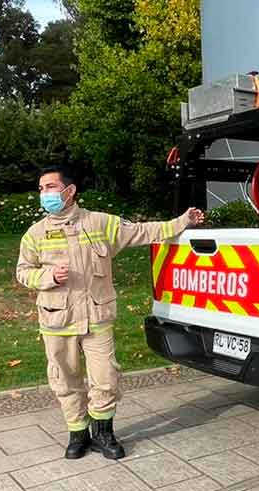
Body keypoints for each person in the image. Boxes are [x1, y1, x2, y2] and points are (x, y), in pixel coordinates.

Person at [16, 166, 204, 460]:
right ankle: (77, 434)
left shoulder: (100, 223)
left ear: (70, 190)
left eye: (50, 187)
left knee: (106, 379)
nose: (45, 194)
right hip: (57, 319)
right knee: (65, 380)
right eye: (41, 189)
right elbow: (23, 272)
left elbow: (143, 231)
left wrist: (182, 221)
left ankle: (103, 434)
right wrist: (48, 277)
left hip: (96, 318)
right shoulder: (35, 234)